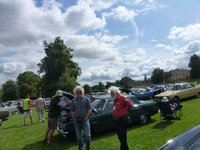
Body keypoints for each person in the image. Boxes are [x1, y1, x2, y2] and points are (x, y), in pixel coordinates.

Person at [108, 86, 133, 150]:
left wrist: (126, 111)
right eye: (111, 94)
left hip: (123, 119)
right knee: (120, 136)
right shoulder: (115, 100)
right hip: (117, 121)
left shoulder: (122, 97)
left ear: (116, 92)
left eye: (112, 93)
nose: (111, 95)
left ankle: (123, 148)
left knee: (122, 137)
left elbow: (130, 105)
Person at [71, 86, 92, 150]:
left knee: (88, 135)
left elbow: (90, 109)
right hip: (77, 120)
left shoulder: (86, 99)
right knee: (79, 136)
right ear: (75, 92)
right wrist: (74, 118)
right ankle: (80, 148)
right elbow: (72, 110)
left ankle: (88, 148)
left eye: (80, 91)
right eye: (77, 92)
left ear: (82, 92)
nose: (79, 93)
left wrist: (86, 117)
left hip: (85, 120)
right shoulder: (73, 100)